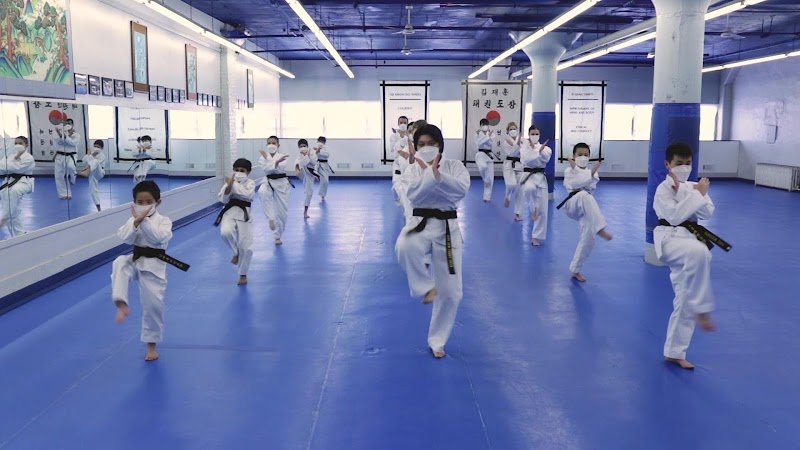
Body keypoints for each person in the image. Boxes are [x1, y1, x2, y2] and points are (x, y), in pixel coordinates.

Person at [395, 124, 470, 359]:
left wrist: (437, 176)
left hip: (448, 227)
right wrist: (433, 178)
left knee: (452, 292)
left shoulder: (455, 166)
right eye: (421, 144)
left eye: (431, 143)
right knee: (404, 245)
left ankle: (437, 340)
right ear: (416, 147)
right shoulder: (412, 170)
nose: (426, 148)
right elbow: (413, 195)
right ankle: (425, 286)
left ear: (440, 145)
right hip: (421, 222)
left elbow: (461, 190)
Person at [654, 142, 730, 370]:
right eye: (679, 163)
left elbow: (707, 212)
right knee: (700, 252)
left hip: (689, 239)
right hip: (669, 239)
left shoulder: (694, 186)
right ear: (668, 164)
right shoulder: (662, 189)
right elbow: (674, 216)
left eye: (688, 163)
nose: (684, 167)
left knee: (684, 297)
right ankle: (703, 308)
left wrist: (693, 193)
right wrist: (696, 195)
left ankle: (674, 352)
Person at [111, 180, 189, 361]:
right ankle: (121, 303)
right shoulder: (133, 219)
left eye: (148, 201)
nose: (144, 205)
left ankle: (151, 345)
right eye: (140, 202)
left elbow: (157, 238)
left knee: (153, 306)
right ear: (134, 203)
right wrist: (135, 223)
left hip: (154, 267)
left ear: (157, 202)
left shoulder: (164, 221)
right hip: (135, 260)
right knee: (120, 262)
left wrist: (143, 221)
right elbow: (124, 237)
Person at [558, 143, 612, 282]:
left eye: (586, 155)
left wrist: (590, 173)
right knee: (584, 195)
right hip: (572, 204)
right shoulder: (569, 171)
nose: (583, 157)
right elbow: (574, 185)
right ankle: (600, 228)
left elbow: (589, 184)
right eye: (580, 154)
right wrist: (583, 172)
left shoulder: (593, 173)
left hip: (586, 208)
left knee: (589, 239)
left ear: (589, 157)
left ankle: (575, 269)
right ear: (574, 156)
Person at [215, 158, 255, 285]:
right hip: (229, 212)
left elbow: (247, 194)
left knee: (246, 247)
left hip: (244, 215)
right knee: (225, 232)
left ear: (248, 172)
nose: (239, 172)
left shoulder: (251, 183)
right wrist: (228, 187)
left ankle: (243, 274)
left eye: (242, 170)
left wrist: (233, 185)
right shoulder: (230, 181)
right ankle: (235, 252)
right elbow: (223, 199)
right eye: (236, 170)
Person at [519, 125, 552, 246]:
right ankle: (533, 209)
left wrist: (539, 151)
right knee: (529, 189)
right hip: (529, 176)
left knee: (543, 210)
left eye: (536, 134)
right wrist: (537, 152)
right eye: (532, 134)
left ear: (539, 135)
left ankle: (536, 236)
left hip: (541, 177)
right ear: (529, 135)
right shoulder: (524, 148)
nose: (534, 136)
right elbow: (526, 160)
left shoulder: (546, 148)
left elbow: (546, 159)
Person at [258, 136, 291, 245]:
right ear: (266, 145)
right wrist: (274, 162)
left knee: (282, 212)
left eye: (273, 143)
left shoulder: (283, 156)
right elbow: (266, 169)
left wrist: (270, 160)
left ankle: (277, 236)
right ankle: (271, 217)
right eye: (269, 143)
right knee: (262, 192)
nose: (271, 145)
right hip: (268, 180)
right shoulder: (262, 157)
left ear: (278, 145)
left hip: (281, 183)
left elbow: (279, 168)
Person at [0, 136, 35, 238]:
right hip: (10, 181)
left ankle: (3, 217)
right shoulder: (11, 156)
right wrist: (14, 160)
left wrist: (10, 164)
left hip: (24, 182)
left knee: (14, 192)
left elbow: (18, 168)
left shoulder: (29, 158)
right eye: (16, 143)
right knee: (9, 201)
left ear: (26, 145)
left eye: (20, 143)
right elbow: (2, 167)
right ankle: (19, 233)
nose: (17, 145)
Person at [500, 122, 523, 221]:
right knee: (511, 184)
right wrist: (517, 145)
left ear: (517, 130)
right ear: (508, 131)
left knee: (520, 190)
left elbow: (524, 152)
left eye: (514, 129)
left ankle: (517, 213)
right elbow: (512, 153)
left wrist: (515, 145)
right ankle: (508, 196)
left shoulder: (522, 140)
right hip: (509, 164)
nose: (513, 131)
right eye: (511, 129)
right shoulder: (506, 141)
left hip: (520, 166)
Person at [54, 118, 80, 199]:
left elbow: (73, 143)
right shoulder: (59, 133)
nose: (67, 125)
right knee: (59, 176)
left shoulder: (76, 135)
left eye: (69, 123)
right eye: (66, 124)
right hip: (59, 156)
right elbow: (57, 142)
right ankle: (64, 194)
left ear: (73, 125)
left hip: (71, 155)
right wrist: (60, 135)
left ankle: (73, 178)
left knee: (71, 167)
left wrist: (65, 137)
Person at [474, 118, 499, 203]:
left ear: (488, 126)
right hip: (480, 155)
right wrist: (487, 137)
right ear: (480, 126)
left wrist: (485, 138)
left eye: (486, 125)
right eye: (483, 125)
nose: (485, 126)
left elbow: (491, 144)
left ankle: (487, 197)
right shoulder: (477, 133)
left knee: (490, 178)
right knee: (483, 167)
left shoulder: (492, 133)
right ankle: (485, 179)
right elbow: (479, 144)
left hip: (489, 155)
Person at [78, 140, 106, 211]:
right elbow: (84, 161)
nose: (96, 148)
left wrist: (90, 156)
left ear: (102, 148)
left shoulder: (102, 156)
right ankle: (98, 208)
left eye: (98, 147)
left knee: (96, 162)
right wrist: (90, 155)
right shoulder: (90, 154)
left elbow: (94, 163)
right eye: (95, 146)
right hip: (92, 173)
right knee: (93, 189)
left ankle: (87, 171)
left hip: (100, 172)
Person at [295, 139, 319, 219]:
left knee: (309, 193)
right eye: (301, 146)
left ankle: (305, 211)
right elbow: (302, 163)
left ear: (307, 146)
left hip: (310, 174)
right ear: (298, 147)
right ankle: (305, 212)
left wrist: (308, 156)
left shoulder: (312, 153)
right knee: (308, 192)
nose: (302, 147)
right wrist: (306, 156)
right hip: (303, 173)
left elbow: (314, 163)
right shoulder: (299, 155)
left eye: (304, 146)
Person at [314, 136, 333, 201]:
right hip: (316, 164)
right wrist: (317, 150)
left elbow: (327, 155)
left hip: (324, 165)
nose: (321, 143)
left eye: (322, 142)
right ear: (317, 141)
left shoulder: (326, 148)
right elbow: (313, 154)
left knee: (325, 181)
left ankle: (322, 195)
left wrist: (319, 151)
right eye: (319, 142)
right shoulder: (315, 147)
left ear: (324, 143)